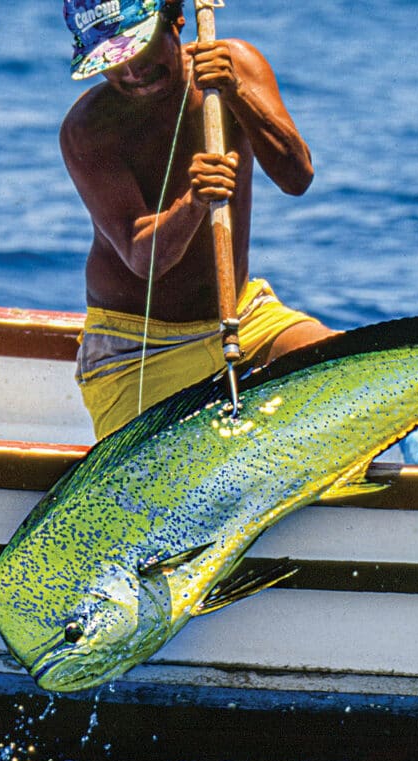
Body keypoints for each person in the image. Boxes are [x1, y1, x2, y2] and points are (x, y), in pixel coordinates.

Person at [61, 0, 336, 439]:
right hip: (136, 350)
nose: (133, 72)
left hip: (240, 317)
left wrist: (236, 92)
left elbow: (297, 177)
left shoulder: (235, 65)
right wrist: (194, 202)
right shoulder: (89, 128)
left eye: (142, 49)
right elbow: (143, 258)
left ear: (177, 22)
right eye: (114, 62)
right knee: (145, 471)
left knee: (339, 370)